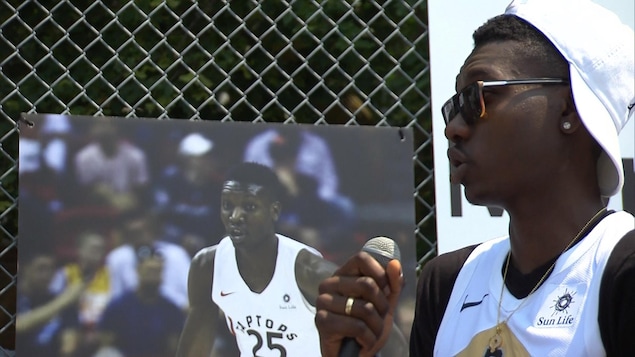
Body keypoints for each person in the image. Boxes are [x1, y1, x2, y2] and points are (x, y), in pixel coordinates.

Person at [314, 0, 635, 356]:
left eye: (477, 97)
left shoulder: (620, 268)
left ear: (569, 108)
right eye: (453, 107)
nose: (453, 128)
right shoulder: (448, 282)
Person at [175, 162, 406, 357]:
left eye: (249, 207)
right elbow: (196, 345)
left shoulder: (309, 272)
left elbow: (387, 334)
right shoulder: (208, 266)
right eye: (228, 206)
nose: (235, 217)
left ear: (274, 211)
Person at [95, 251, 185, 357]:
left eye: (157, 271)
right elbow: (106, 342)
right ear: (138, 270)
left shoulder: (171, 309)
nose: (153, 276)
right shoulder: (119, 305)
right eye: (149, 271)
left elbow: (173, 348)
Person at [105, 210, 191, 310]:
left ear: (153, 229)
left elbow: (190, 294)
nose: (142, 236)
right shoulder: (117, 257)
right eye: (135, 232)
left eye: (144, 230)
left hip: (176, 313)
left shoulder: (176, 254)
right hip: (131, 315)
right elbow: (114, 296)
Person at [15, 253, 84, 357]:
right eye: (41, 269)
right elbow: (19, 325)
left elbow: (69, 344)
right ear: (26, 269)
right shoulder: (16, 297)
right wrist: (63, 300)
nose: (46, 275)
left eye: (51, 269)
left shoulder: (61, 301)